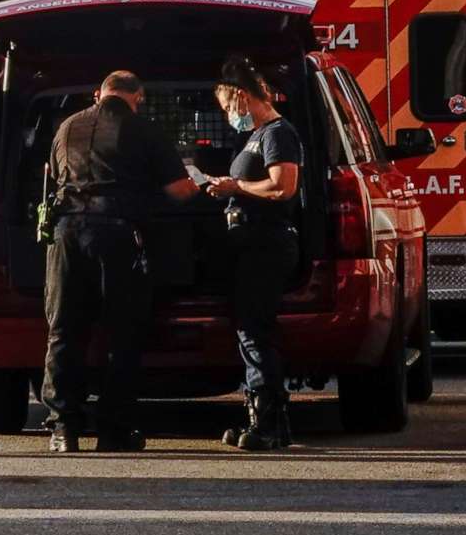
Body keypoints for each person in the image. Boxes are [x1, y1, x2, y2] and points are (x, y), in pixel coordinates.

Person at [41, 70, 207, 453]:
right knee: (123, 332)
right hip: (116, 234)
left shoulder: (67, 127)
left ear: (99, 93)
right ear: (138, 97)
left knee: (64, 329)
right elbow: (180, 191)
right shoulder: (143, 130)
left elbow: (51, 178)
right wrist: (202, 188)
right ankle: (114, 430)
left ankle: (63, 429)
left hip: (66, 234)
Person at [205, 56, 303, 452]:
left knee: (254, 330)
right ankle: (267, 420)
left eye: (228, 108)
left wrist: (237, 188)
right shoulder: (257, 136)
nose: (229, 116)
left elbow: (284, 188)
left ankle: (267, 423)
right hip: (251, 243)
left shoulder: (278, 133)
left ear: (243, 97)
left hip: (267, 242)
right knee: (250, 328)